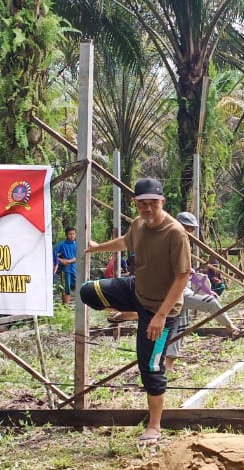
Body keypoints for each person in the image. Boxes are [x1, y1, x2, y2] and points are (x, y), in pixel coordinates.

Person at [78, 178, 190, 449]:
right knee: (87, 291)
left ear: (162, 202)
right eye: (143, 204)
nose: (148, 208)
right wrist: (97, 247)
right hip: (136, 292)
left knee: (151, 367)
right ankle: (132, 314)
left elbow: (182, 276)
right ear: (136, 204)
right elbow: (127, 242)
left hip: (162, 310)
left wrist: (160, 316)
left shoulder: (175, 233)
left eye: (153, 203)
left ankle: (154, 425)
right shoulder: (138, 224)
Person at [164, 212, 244, 370]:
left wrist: (206, 290)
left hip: (183, 290)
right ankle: (231, 329)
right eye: (187, 229)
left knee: (179, 328)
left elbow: (191, 273)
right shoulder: (169, 244)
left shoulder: (183, 244)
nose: (190, 233)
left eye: (192, 229)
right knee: (212, 303)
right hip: (174, 292)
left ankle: (167, 367)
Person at [53, 226, 78, 305]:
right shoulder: (61, 244)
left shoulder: (77, 244)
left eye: (73, 234)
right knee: (66, 288)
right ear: (66, 235)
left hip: (75, 268)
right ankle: (66, 306)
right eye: (70, 234)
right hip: (65, 269)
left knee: (78, 286)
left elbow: (80, 255)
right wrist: (61, 260)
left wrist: (70, 261)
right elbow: (53, 253)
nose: (72, 235)